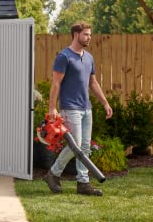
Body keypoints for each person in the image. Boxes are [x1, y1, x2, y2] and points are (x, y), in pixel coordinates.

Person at [44, 21, 113, 196]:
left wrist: (105, 103)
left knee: (84, 147)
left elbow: (93, 83)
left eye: (90, 34)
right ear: (76, 34)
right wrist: (52, 108)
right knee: (75, 146)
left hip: (86, 108)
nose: (89, 37)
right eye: (86, 34)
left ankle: (83, 183)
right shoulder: (64, 56)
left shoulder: (89, 57)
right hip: (70, 107)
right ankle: (53, 173)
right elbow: (56, 83)